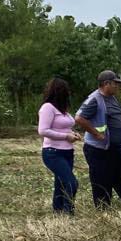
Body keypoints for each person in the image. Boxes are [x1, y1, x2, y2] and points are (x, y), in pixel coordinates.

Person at [74, 70, 121, 209]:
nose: (118, 86)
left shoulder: (112, 98)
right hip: (99, 149)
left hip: (116, 148)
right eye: (115, 83)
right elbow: (79, 118)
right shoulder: (95, 99)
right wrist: (96, 134)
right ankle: (103, 208)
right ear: (106, 84)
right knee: (101, 179)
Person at [37, 77, 81, 215]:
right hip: (53, 152)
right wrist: (66, 136)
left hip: (67, 152)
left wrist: (73, 134)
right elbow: (43, 130)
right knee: (71, 182)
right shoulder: (47, 108)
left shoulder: (63, 111)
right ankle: (68, 212)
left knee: (61, 183)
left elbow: (63, 128)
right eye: (66, 91)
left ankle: (58, 211)